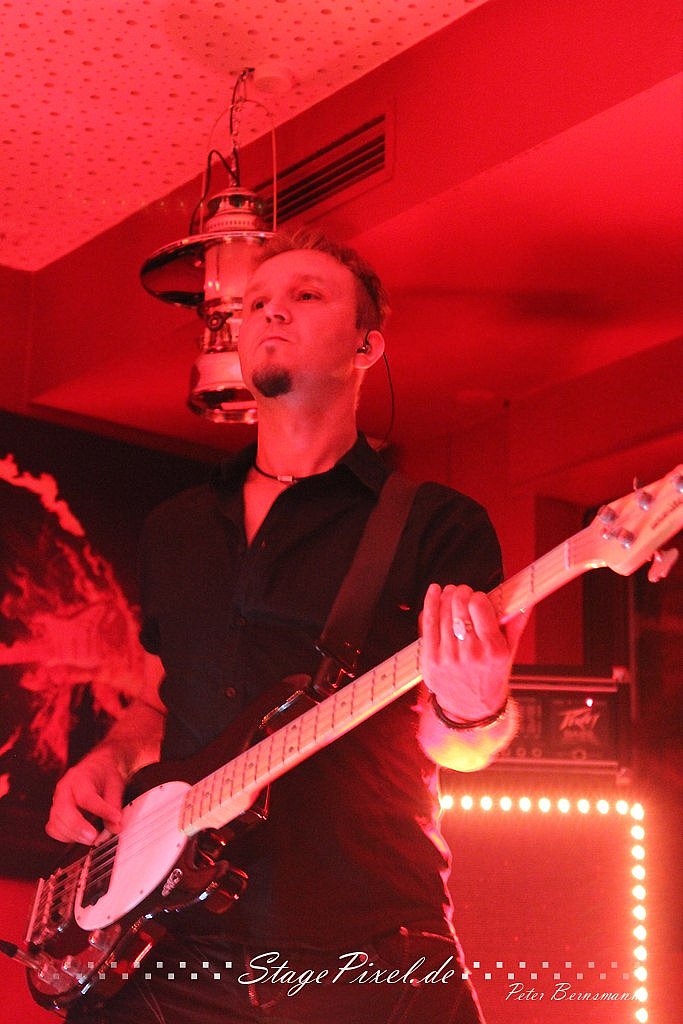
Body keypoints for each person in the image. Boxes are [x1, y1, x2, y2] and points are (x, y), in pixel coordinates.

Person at [46, 230, 527, 1023]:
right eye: (255, 303)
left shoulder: (434, 525)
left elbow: (459, 748)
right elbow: (162, 700)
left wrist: (476, 707)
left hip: (359, 941)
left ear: (366, 345)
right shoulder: (176, 526)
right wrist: (109, 755)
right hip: (167, 943)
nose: (271, 312)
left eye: (306, 296)